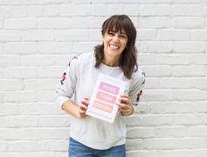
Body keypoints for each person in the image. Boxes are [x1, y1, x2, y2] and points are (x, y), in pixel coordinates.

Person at [56, 15, 145, 157]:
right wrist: (78, 111)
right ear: (103, 35)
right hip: (80, 143)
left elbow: (133, 106)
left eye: (122, 36)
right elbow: (61, 96)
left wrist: (128, 109)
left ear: (128, 42)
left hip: (114, 146)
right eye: (111, 33)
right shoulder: (80, 62)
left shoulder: (136, 74)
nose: (115, 40)